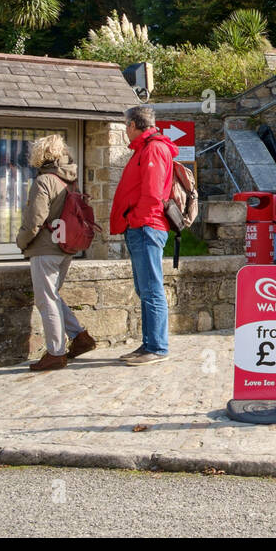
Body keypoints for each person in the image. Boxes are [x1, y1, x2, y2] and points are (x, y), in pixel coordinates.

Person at [17, 134, 95, 372]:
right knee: (53, 295)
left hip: (45, 249)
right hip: (66, 247)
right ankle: (80, 336)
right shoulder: (70, 180)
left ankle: (55, 352)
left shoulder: (44, 181)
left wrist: (21, 241)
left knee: (46, 299)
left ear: (40, 155)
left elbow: (35, 221)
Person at [110, 105, 178, 365]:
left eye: (126, 125)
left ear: (133, 125)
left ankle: (157, 347)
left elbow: (152, 194)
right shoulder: (145, 148)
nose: (125, 130)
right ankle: (149, 344)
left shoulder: (153, 149)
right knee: (145, 288)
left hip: (146, 226)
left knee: (151, 288)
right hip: (141, 225)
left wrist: (134, 220)